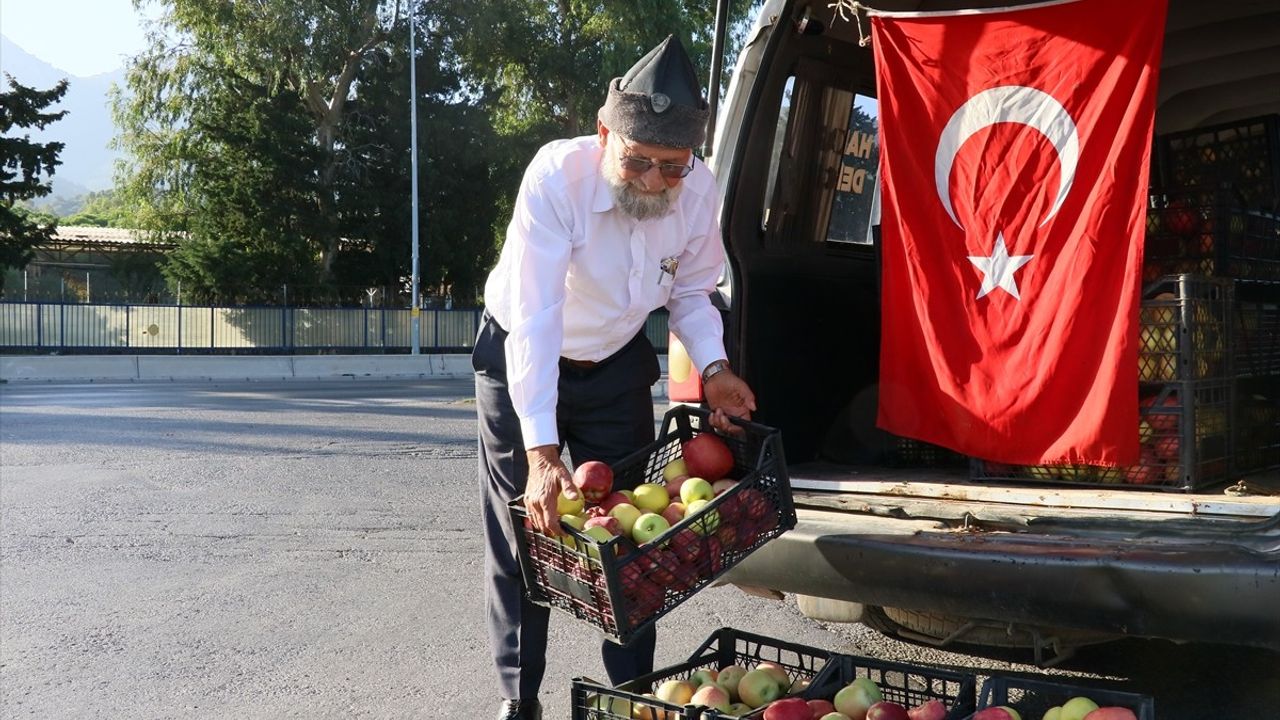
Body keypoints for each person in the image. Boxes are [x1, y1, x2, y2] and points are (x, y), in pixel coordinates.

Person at [473, 35, 757, 720]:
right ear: (605, 133)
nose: (657, 182)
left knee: (634, 546)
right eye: (638, 162)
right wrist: (542, 454)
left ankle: (634, 697)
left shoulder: (698, 190)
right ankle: (520, 699)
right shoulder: (556, 178)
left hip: (619, 364)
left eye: (673, 167)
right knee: (526, 535)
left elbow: (691, 292)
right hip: (522, 358)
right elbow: (537, 317)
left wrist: (714, 368)